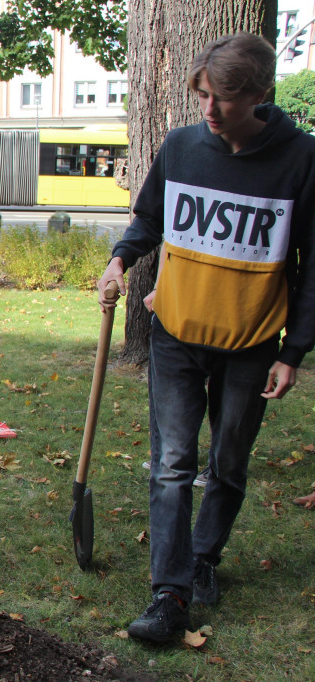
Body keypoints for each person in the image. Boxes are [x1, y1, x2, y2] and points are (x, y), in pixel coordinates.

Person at [98, 33, 315, 644]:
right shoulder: (181, 146)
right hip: (175, 333)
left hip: (251, 343)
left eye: (224, 98)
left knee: (227, 464)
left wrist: (292, 350)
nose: (211, 110)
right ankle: (169, 592)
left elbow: (313, 264)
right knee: (171, 464)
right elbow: (148, 217)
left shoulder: (300, 160)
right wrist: (121, 260)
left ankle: (203, 558)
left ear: (260, 94)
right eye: (203, 97)